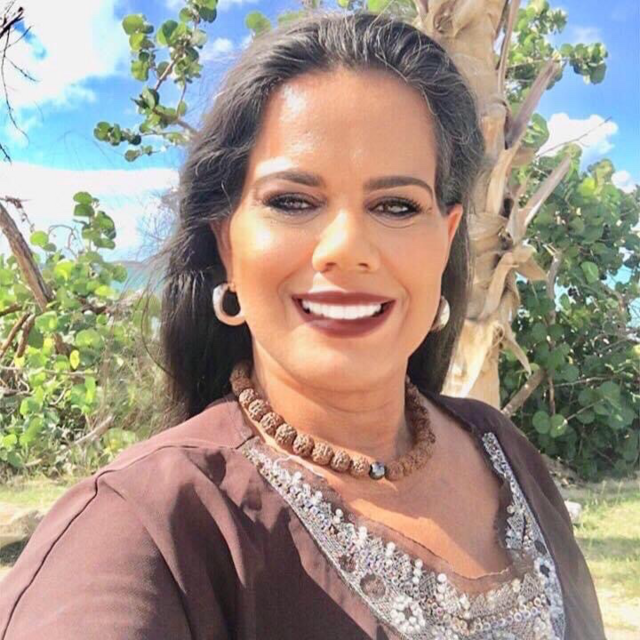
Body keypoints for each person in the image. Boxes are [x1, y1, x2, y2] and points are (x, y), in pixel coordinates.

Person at [0, 10, 605, 640]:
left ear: (446, 238)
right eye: (293, 201)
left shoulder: (503, 451)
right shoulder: (140, 527)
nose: (347, 248)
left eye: (397, 205)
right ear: (226, 244)